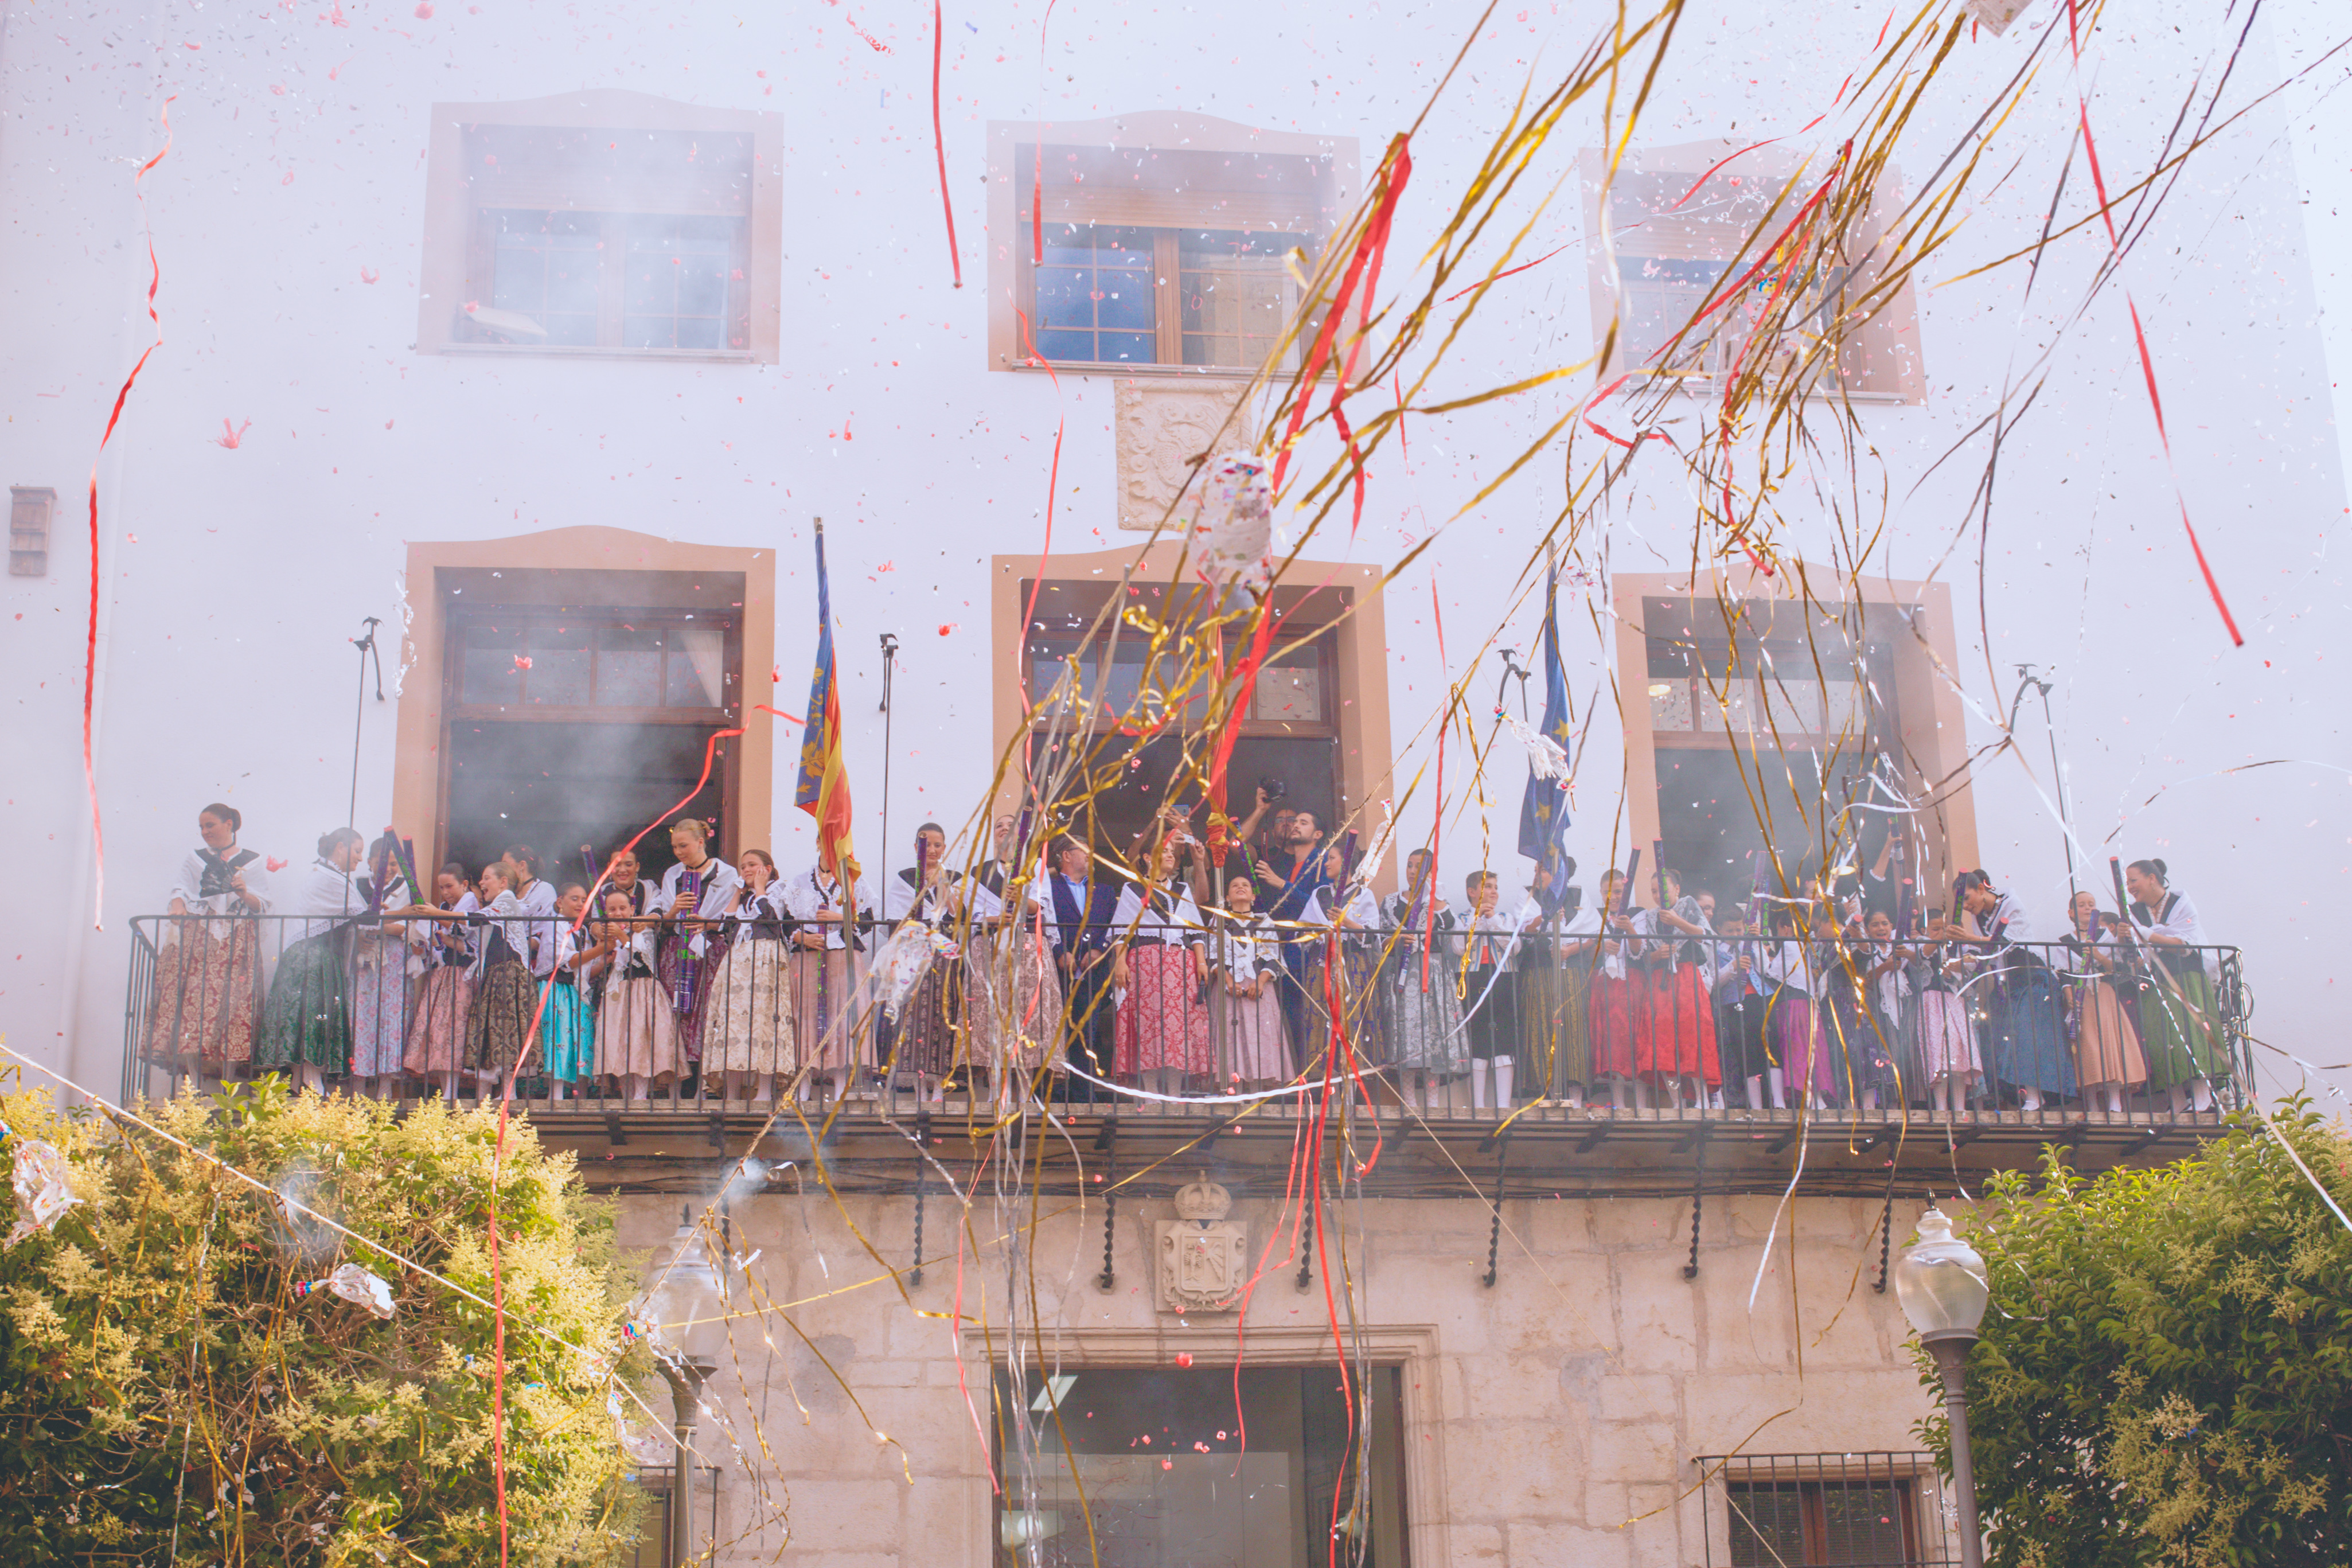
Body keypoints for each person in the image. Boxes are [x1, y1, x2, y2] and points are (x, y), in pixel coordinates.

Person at [147, 802, 270, 1082]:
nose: (204, 832)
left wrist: (244, 893)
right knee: (194, 1005)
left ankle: (227, 1079)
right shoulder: (195, 858)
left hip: (238, 938)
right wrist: (177, 903)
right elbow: (180, 889)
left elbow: (262, 903)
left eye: (210, 825)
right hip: (201, 939)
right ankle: (195, 1082)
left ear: (229, 824)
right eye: (201, 827)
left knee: (234, 1007)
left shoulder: (253, 860)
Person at [1935, 871, 2072, 1113]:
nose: (1966, 906)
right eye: (1962, 903)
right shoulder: (1982, 918)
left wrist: (1970, 938)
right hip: (2010, 985)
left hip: (2032, 978)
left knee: (2029, 1037)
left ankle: (2035, 1097)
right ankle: (2018, 1097)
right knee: (2002, 1038)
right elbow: (1986, 953)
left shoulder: (2011, 905)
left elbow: (2005, 944)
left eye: (1968, 899)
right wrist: (1961, 961)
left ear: (1981, 889)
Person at [254, 828, 368, 1095]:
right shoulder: (329, 878)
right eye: (357, 851)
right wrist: (406, 912)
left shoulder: (327, 875)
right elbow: (365, 916)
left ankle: (301, 1082)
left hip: (315, 954)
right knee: (313, 1016)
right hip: (313, 956)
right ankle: (309, 1081)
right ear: (341, 847)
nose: (360, 859)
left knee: (311, 1016)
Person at [966, 817, 1062, 1107]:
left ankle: (1024, 1094)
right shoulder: (978, 873)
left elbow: (1040, 908)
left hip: (1027, 951)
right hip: (991, 949)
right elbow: (969, 914)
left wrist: (1021, 895)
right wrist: (994, 918)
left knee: (1027, 1022)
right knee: (994, 1021)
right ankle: (998, 1094)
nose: (1004, 828)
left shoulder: (1034, 867)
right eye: (999, 825)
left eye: (1011, 825)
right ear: (993, 836)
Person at [1111, 837, 1212, 1095]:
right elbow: (1122, 931)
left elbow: (1194, 931)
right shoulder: (1132, 889)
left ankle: (1176, 1092)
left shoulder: (1182, 889)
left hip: (1180, 964)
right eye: (1163, 852)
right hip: (1144, 962)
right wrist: (1120, 962)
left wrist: (1201, 962)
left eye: (1171, 852)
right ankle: (1151, 1092)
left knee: (1178, 1026)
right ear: (1147, 858)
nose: (1170, 856)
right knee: (1148, 1024)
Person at [2124, 859, 2226, 1113]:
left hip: (2185, 977)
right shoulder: (2134, 913)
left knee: (2192, 1034)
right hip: (2157, 980)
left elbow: (2184, 944)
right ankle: (2178, 1101)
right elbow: (2139, 951)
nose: (2130, 887)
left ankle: (2203, 1098)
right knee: (2162, 1039)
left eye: (2133, 880)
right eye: (2127, 882)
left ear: (2152, 878)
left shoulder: (2181, 904)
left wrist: (2146, 935)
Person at [705, 848, 797, 1105]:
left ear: (767, 868)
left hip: (765, 958)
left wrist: (760, 889)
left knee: (765, 1021)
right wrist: (737, 891)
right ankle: (732, 1091)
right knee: (733, 1022)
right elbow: (727, 926)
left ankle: (765, 1092)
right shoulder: (745, 896)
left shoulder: (779, 890)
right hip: (739, 962)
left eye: (752, 865)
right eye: (743, 866)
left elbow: (772, 919)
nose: (746, 870)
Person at [880, 822, 966, 1098]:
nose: (931, 850)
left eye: (937, 845)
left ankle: (940, 1084)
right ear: (916, 847)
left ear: (944, 848)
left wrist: (943, 885)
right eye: (925, 844)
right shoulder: (905, 878)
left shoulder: (956, 877)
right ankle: (918, 1085)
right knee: (915, 1018)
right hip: (914, 956)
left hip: (945, 957)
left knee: (944, 1015)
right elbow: (896, 920)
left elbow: (961, 916)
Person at [786, 842, 875, 1097]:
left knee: (843, 1017)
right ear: (818, 843)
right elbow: (785, 921)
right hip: (808, 957)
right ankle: (803, 1085)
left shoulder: (855, 881)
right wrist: (803, 938)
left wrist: (842, 917)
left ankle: (840, 1087)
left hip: (843, 956)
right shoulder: (799, 882)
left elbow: (867, 921)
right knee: (805, 1016)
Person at [654, 819, 742, 1076]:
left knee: (708, 1010)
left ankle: (708, 1077)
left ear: (701, 842)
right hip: (677, 949)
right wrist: (675, 908)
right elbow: (666, 924)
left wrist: (708, 924)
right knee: (677, 1009)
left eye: (684, 846)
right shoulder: (672, 874)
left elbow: (732, 920)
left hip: (710, 950)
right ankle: (679, 1076)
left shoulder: (727, 874)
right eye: (675, 847)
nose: (679, 852)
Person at [1301, 839, 1389, 1083]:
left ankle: (1352, 1079)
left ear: (1346, 862)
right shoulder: (1319, 894)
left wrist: (1347, 922)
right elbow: (1304, 929)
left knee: (1351, 1016)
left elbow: (1372, 935)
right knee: (1322, 1018)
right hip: (1322, 966)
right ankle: (1325, 1081)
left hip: (1352, 966)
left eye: (1332, 858)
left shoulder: (1364, 894)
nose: (1327, 863)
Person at [1041, 836, 1121, 1099]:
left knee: (1086, 1035)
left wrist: (1098, 950)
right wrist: (1059, 951)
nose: (1091, 855)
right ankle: (1047, 1094)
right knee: (1050, 1032)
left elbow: (1114, 926)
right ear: (1066, 856)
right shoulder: (1047, 887)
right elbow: (1043, 921)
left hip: (1091, 975)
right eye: (1085, 850)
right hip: (1054, 972)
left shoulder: (1106, 892)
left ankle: (1082, 1097)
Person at [1380, 849, 1464, 1094]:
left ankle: (1434, 1103)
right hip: (1402, 975)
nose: (1412, 871)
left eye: (1419, 867)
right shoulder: (1390, 902)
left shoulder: (1437, 902)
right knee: (1406, 1037)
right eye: (1409, 865)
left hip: (1433, 974)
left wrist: (1433, 894)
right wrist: (1397, 939)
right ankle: (1409, 1102)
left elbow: (1449, 926)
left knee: (1433, 1036)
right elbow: (1381, 940)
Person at [346, 832, 419, 1098]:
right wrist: (374, 927)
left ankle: (386, 1084)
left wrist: (377, 926)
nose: (387, 870)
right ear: (369, 862)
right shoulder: (355, 887)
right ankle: (358, 1083)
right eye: (382, 863)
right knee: (362, 1018)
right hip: (364, 962)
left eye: (393, 865)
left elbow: (409, 927)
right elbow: (351, 922)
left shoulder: (406, 888)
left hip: (394, 963)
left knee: (392, 1018)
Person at [2061, 890, 2148, 1117]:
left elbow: (2116, 968)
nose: (2088, 908)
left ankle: (2115, 1104)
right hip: (2081, 999)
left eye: (2092, 904)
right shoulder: (2063, 943)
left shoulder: (2105, 937)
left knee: (2110, 1047)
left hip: (2104, 994)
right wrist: (2069, 994)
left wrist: (2098, 955)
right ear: (2071, 912)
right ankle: (2091, 1105)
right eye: (2082, 905)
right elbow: (2062, 975)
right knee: (2087, 1049)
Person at [1257, 809, 1331, 1072]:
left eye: (1303, 823)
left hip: (1310, 952)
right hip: (1287, 952)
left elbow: (1317, 906)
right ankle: (1303, 1079)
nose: (1295, 826)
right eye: (1294, 822)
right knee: (1294, 1021)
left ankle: (1319, 1079)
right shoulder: (1288, 866)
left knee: (1313, 1018)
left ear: (1318, 834)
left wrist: (1280, 884)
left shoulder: (1323, 863)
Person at [1644, 868, 1723, 1109]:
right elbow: (1643, 957)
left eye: (1664, 890)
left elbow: (1706, 935)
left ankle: (1702, 1100)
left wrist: (1677, 922)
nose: (1659, 896)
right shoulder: (1649, 917)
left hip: (1687, 975)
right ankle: (1677, 1102)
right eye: (1655, 891)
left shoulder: (1689, 906)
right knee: (1665, 1042)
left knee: (1694, 1038)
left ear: (1678, 889)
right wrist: (1657, 954)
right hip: (1662, 981)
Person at [463, 860, 541, 1099]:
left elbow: (476, 918)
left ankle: (509, 1093)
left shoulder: (506, 899)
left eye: (487, 878)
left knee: (507, 1029)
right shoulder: (499, 905)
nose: (481, 883)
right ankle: (487, 1093)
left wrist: (437, 913)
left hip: (509, 974)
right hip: (496, 974)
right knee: (492, 1030)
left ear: (503, 882)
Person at [595, 886, 680, 1102]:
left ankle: (641, 1097)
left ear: (633, 909)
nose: (618, 913)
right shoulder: (607, 934)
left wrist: (623, 935)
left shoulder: (644, 929)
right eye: (612, 909)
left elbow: (641, 956)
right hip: (618, 991)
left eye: (622, 908)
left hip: (644, 988)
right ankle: (626, 1096)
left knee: (641, 1043)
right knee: (618, 1044)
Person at [1457, 871, 1530, 1111]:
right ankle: (1478, 1107)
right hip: (1473, 978)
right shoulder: (1462, 918)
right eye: (1488, 886)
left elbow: (1515, 948)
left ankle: (1503, 1106)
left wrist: (1494, 921)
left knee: (1504, 1039)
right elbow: (1458, 947)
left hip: (1504, 979)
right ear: (1472, 892)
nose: (1494, 891)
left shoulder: (1506, 918)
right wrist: (1479, 920)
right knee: (1476, 1039)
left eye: (1495, 886)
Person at [404, 863, 478, 1100]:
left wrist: (437, 922)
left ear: (464, 884)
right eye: (441, 888)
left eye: (450, 886)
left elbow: (466, 937)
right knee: (440, 1032)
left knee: (456, 1031)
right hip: (442, 973)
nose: (445, 892)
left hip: (462, 974)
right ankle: (447, 1089)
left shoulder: (470, 905)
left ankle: (453, 1090)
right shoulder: (445, 907)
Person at [1207, 875, 1287, 1088]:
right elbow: (1213, 955)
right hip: (1228, 989)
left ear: (1253, 896)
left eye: (1245, 886)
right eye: (1234, 885)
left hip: (1259, 988)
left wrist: (1260, 983)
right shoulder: (1218, 920)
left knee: (1259, 1039)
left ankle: (1255, 1096)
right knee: (1231, 1040)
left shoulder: (1264, 920)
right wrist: (1229, 982)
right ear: (1227, 897)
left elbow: (1274, 956)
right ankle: (1235, 1093)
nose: (1240, 887)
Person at [1587, 868, 1653, 1110]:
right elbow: (1589, 951)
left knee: (1637, 1042)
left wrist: (1629, 929)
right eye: (1607, 892)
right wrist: (1603, 948)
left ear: (1627, 892)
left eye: (1618, 891)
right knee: (1614, 1046)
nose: (1613, 897)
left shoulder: (1639, 915)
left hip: (1634, 984)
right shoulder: (1594, 918)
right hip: (1607, 986)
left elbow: (1639, 951)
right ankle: (1618, 1104)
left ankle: (1642, 1105)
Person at [1759, 904, 1834, 1110]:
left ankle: (1811, 1098)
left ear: (1786, 929)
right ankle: (1816, 1098)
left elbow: (1770, 972)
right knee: (1811, 1049)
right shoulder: (1802, 947)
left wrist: (1763, 952)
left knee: (1798, 1049)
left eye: (1777, 930)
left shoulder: (1791, 945)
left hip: (1793, 1005)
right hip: (1806, 1004)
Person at [1910, 905, 1980, 1118]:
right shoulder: (1921, 943)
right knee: (1939, 1054)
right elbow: (1924, 953)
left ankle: (1960, 1107)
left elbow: (1972, 962)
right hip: (1932, 1002)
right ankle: (1941, 1107)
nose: (1940, 932)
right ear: (1924, 930)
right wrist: (1937, 939)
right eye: (1934, 928)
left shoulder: (1954, 947)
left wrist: (1954, 962)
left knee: (1958, 1051)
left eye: (1943, 927)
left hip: (1954, 1001)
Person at [538, 880, 603, 1099]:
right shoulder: (555, 925)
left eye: (584, 900)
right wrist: (600, 949)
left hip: (575, 991)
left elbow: (586, 970)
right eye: (574, 899)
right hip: (555, 988)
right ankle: (555, 1094)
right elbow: (567, 961)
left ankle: (580, 1094)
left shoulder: (582, 930)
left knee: (580, 1040)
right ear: (560, 902)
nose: (580, 904)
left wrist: (608, 957)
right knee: (558, 1039)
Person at [1711, 908, 1779, 1109]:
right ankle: (1756, 1106)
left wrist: (1756, 941)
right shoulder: (1716, 950)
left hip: (1761, 999)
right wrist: (1733, 966)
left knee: (1771, 1048)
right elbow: (1714, 982)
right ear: (1719, 929)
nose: (1735, 935)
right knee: (1747, 1052)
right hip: (1734, 1004)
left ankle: (1779, 1102)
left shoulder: (1748, 944)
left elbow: (1765, 968)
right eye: (1730, 931)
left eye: (1739, 930)